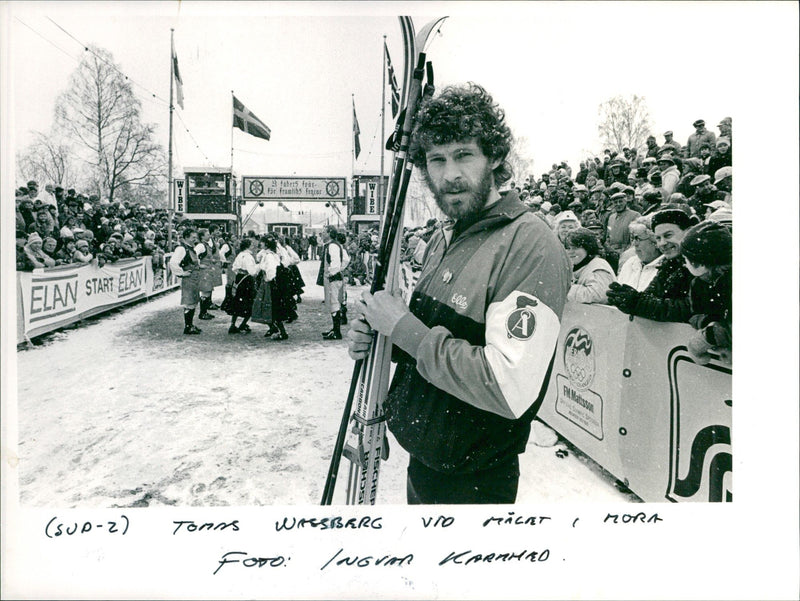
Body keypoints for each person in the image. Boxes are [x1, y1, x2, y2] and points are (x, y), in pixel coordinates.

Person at [346, 83, 571, 504]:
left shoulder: (531, 244)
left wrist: (403, 329)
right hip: (427, 463)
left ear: (496, 158)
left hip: (475, 480)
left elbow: (507, 388)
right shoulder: (445, 236)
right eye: (436, 159)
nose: (450, 174)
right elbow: (430, 335)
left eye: (464, 155)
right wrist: (380, 336)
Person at [606, 208, 696, 323]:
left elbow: (690, 308)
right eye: (658, 238)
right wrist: (628, 299)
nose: (662, 243)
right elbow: (651, 294)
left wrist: (639, 303)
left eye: (668, 235)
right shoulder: (669, 264)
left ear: (687, 232)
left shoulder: (700, 263)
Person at [680, 221, 732, 365]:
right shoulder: (700, 283)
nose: (684, 264)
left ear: (700, 263)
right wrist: (708, 324)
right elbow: (697, 312)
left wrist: (709, 336)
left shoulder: (729, 283)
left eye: (686, 259)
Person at [564, 228, 616, 304]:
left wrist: (565, 290)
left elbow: (599, 295)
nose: (570, 252)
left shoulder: (598, 267)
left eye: (575, 248)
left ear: (588, 248)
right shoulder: (578, 267)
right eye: (568, 248)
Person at [168, 227, 203, 335]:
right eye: (193, 237)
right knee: (189, 302)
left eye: (195, 237)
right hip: (188, 280)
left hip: (194, 279)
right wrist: (181, 273)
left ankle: (190, 325)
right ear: (186, 237)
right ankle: (188, 327)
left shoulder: (190, 248)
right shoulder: (181, 249)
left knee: (193, 302)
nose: (195, 239)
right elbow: (173, 262)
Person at [317, 225, 348, 340]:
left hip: (332, 279)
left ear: (329, 233)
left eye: (324, 232)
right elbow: (345, 259)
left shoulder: (332, 246)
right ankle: (335, 329)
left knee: (334, 303)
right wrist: (340, 269)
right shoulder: (334, 245)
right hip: (334, 278)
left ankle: (337, 331)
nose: (322, 234)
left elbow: (336, 262)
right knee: (333, 303)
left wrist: (331, 272)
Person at [616, 218, 663, 291]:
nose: (635, 244)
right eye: (633, 239)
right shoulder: (630, 263)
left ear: (655, 242)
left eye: (639, 239)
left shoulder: (665, 267)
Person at [225, 237, 260, 334]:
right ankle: (243, 324)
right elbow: (252, 272)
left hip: (239, 278)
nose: (254, 247)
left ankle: (233, 324)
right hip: (247, 280)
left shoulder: (240, 255)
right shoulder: (249, 256)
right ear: (248, 246)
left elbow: (234, 268)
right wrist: (259, 267)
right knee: (250, 303)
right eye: (252, 245)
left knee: (237, 302)